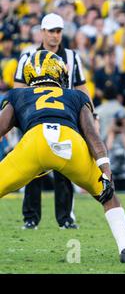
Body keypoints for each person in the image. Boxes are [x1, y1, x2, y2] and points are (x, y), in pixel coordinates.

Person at [0, 50, 125, 263]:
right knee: (107, 195)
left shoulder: (17, 94)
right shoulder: (76, 96)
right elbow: (91, 134)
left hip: (35, 142)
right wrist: (105, 168)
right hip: (70, 144)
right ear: (59, 73)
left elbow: (1, 127)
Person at [14, 13, 92, 230]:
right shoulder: (28, 54)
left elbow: (81, 87)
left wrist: (90, 114)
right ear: (42, 32)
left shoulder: (71, 56)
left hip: (64, 117)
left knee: (65, 167)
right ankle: (31, 217)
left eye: (58, 31)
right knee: (31, 168)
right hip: (35, 117)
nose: (55, 35)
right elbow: (18, 88)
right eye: (51, 31)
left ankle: (65, 217)